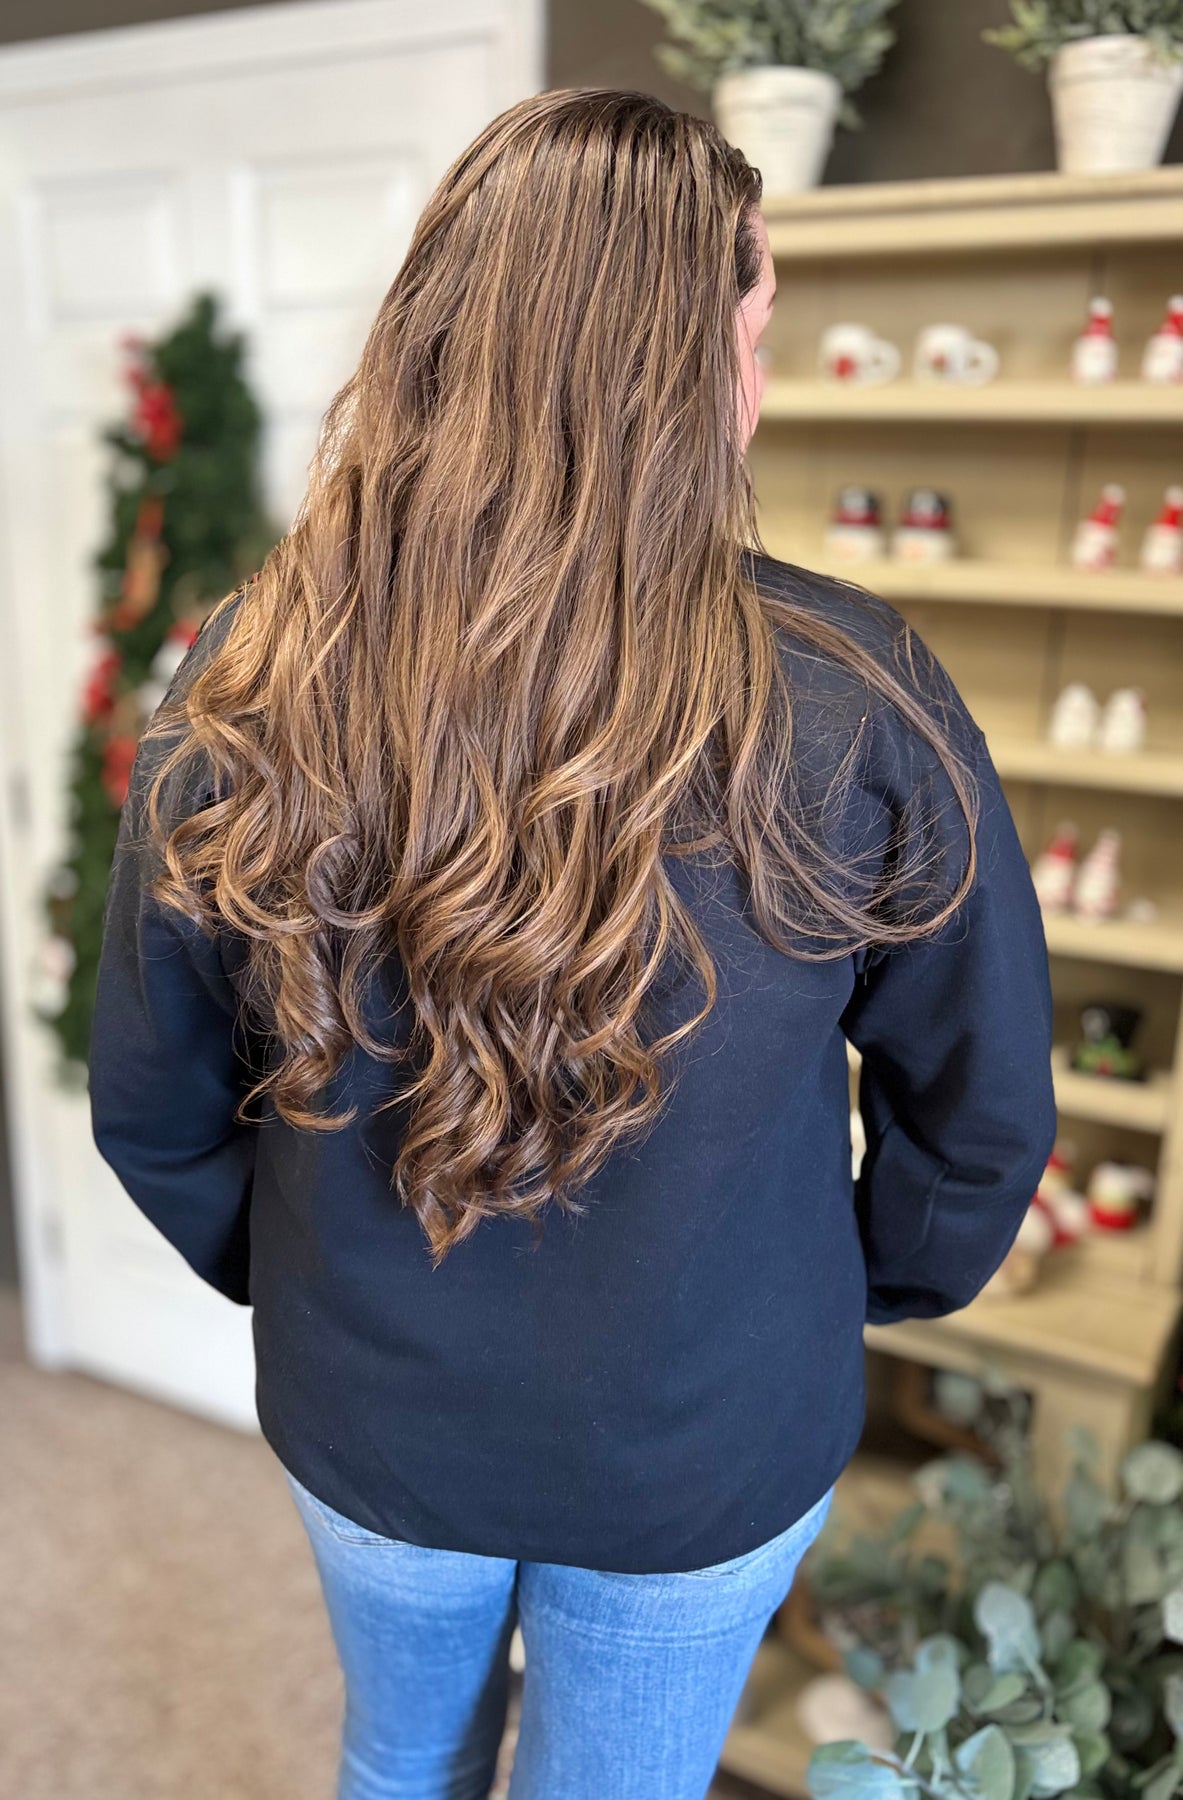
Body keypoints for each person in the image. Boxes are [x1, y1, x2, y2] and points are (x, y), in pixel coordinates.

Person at [89, 87, 1057, 1800]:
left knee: (400, 1765)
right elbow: (974, 1125)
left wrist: (321, 1285)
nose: (760, 381)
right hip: (699, 1436)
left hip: (376, 1414)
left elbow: (155, 1104)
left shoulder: (248, 670)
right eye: (752, 334)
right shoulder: (857, 700)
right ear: (682, 371)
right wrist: (831, 1300)